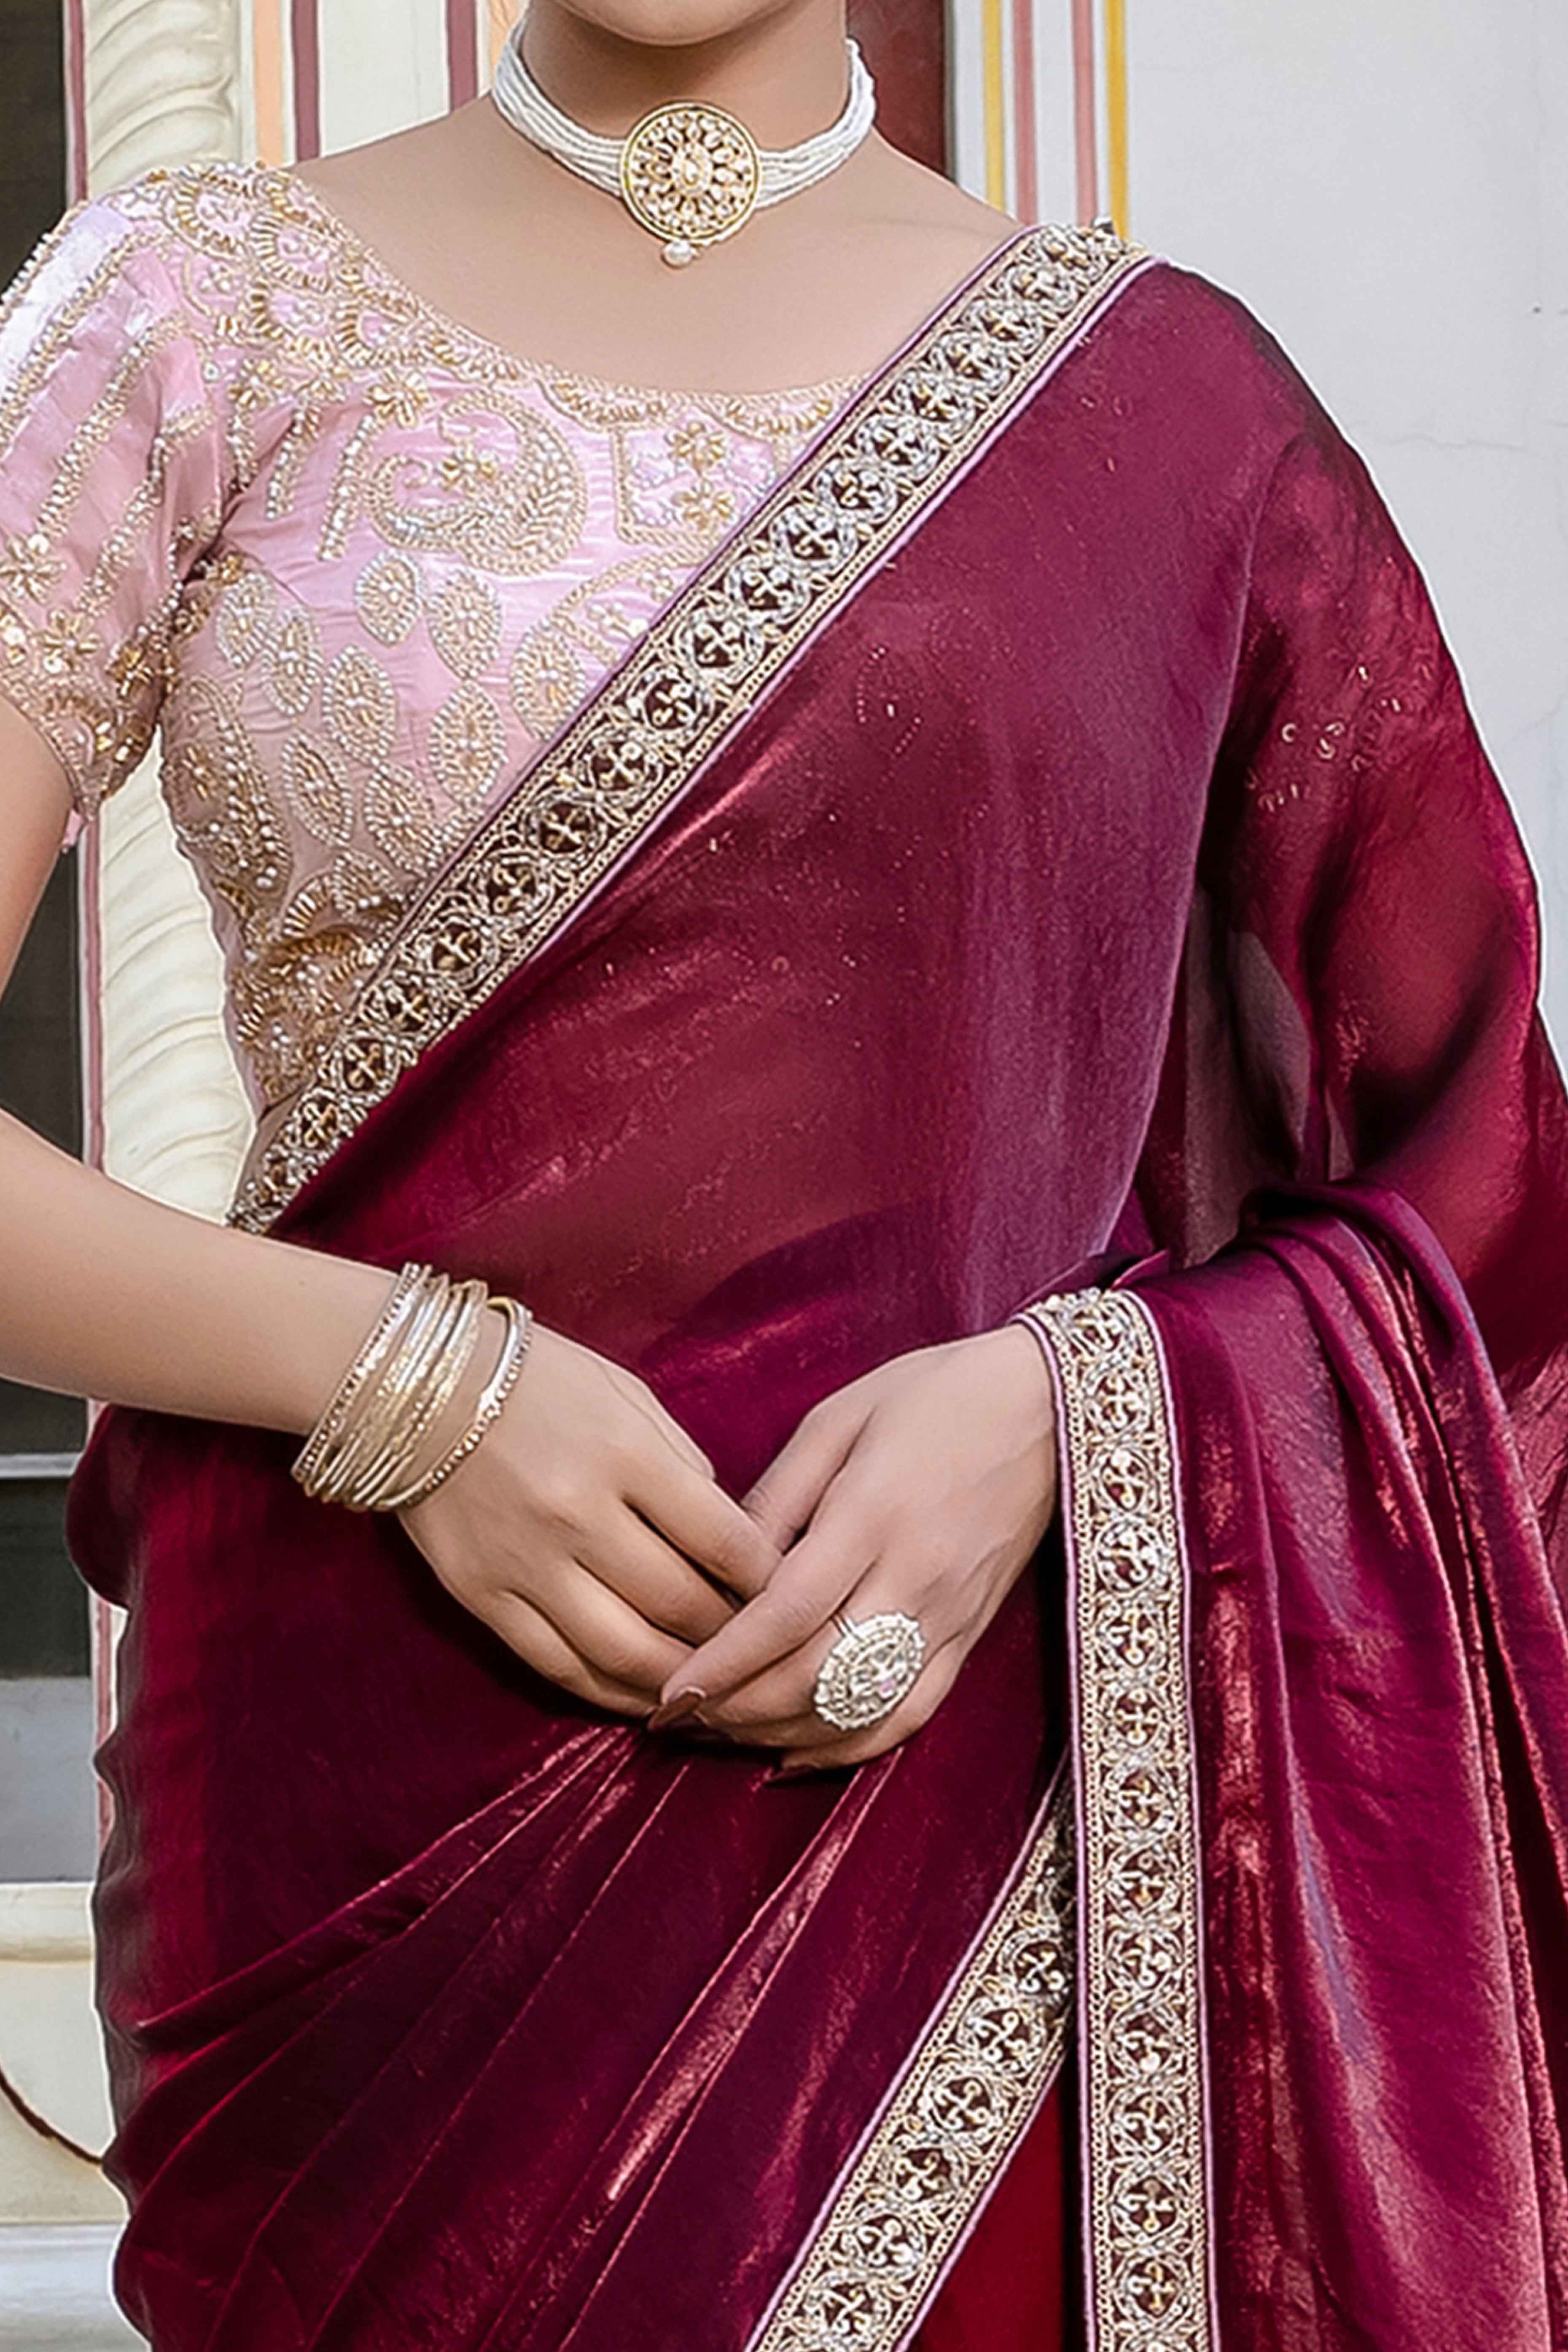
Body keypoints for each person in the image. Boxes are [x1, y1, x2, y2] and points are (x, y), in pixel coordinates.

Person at [0, 1, 1564, 2344]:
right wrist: (418, 1386)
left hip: (994, 1807)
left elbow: (1476, 1209)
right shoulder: (184, 319)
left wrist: (1068, 1418)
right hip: (368, 1854)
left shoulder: (1168, 412)